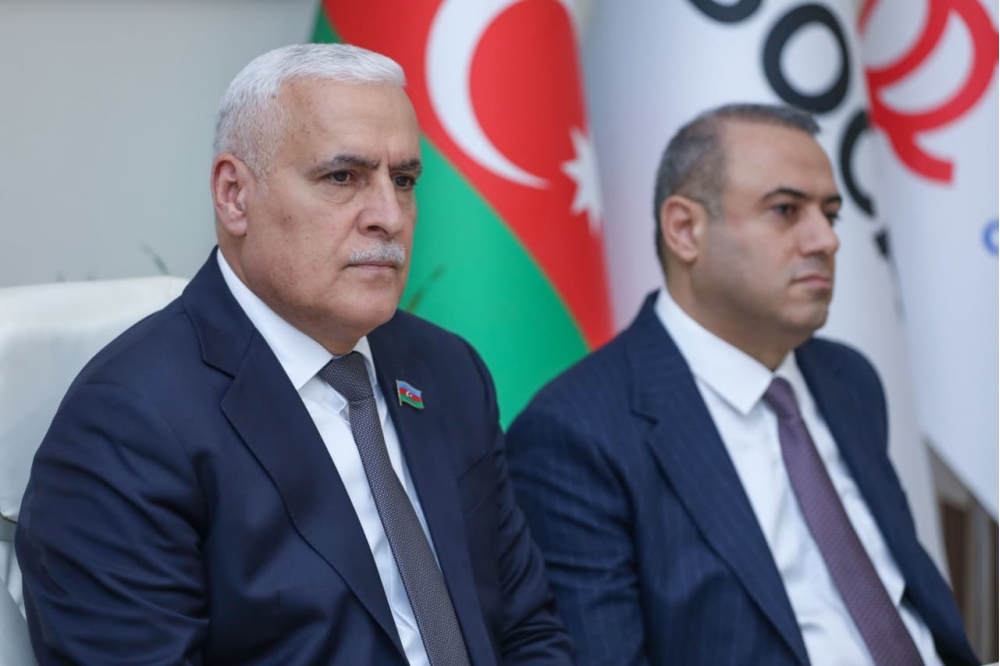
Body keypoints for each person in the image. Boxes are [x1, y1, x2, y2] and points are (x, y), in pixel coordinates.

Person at [16, 43, 572, 665]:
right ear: (234, 195)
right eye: (343, 178)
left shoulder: (446, 371)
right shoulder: (128, 424)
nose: (389, 216)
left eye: (403, 180)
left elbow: (527, 630)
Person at [506, 103, 977, 666]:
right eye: (786, 211)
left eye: (830, 214)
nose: (826, 240)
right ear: (685, 230)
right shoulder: (576, 431)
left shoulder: (849, 380)